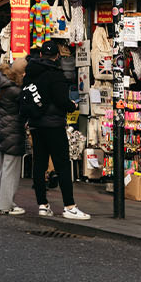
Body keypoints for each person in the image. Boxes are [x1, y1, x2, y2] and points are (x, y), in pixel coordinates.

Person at [24, 39, 90, 220]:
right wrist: (71, 105)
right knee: (62, 164)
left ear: (40, 55)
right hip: (53, 124)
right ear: (57, 56)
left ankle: (42, 205)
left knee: (39, 164)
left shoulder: (29, 73)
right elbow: (62, 100)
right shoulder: (56, 74)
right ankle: (69, 206)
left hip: (36, 123)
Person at [0, 56, 28, 215]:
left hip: (2, 130)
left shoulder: (4, 84)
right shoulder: (16, 90)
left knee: (4, 168)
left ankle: (2, 201)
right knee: (10, 170)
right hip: (13, 132)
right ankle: (6, 205)